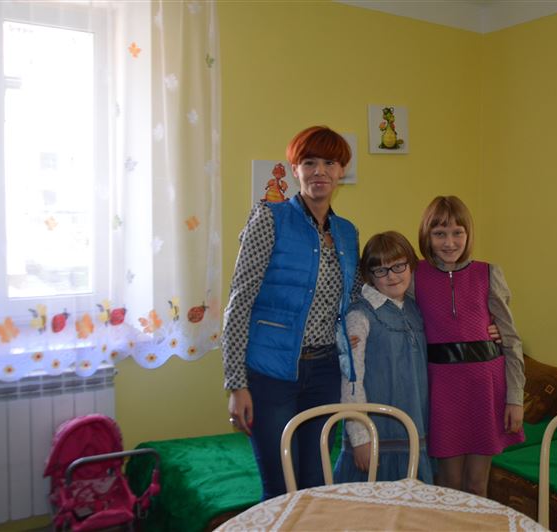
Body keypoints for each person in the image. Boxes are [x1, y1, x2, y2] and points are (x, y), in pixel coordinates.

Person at [222, 126, 361, 500]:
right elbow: (239, 302)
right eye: (309, 162)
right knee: (280, 485)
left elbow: (356, 296)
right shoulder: (269, 218)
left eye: (329, 163)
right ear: (295, 169)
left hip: (325, 372)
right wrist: (236, 384)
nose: (320, 171)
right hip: (271, 374)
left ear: (341, 170)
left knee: (316, 481)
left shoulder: (347, 233)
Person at [413, 195, 525, 497]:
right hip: (442, 391)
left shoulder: (488, 273)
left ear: (468, 234)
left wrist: (515, 398)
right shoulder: (414, 275)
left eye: (457, 232)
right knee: (448, 484)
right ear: (426, 235)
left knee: (477, 484)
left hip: (486, 390)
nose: (449, 242)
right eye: (439, 233)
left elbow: (511, 340)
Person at [333, 231, 434, 484]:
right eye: (381, 270)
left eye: (399, 265)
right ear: (369, 274)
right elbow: (351, 380)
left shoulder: (415, 308)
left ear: (410, 264)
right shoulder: (359, 316)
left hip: (414, 432)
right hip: (376, 441)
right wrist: (360, 437)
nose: (392, 276)